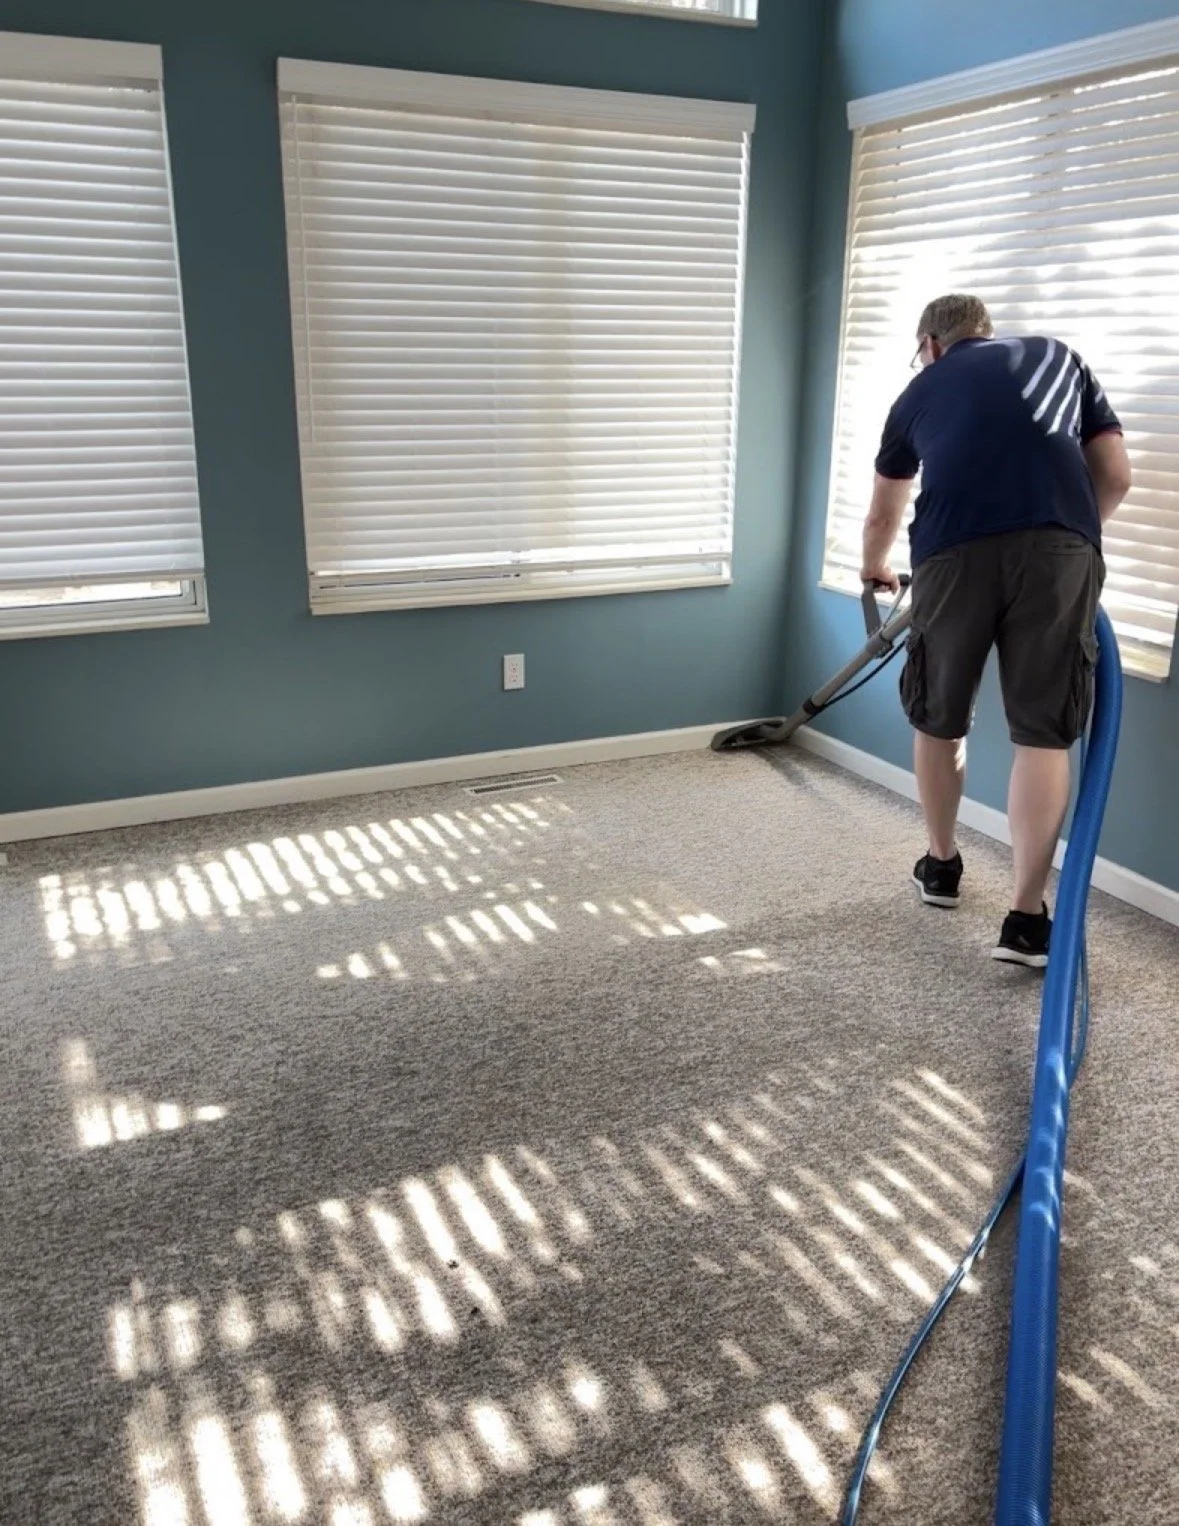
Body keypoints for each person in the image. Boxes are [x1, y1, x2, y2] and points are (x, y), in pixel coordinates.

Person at [860, 294, 1132, 967]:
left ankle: (942, 867)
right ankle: (1024, 920)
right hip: (1061, 550)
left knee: (939, 718)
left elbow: (881, 517)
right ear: (984, 331)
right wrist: (1069, 540)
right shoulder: (1059, 358)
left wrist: (874, 570)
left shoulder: (917, 391)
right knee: (1043, 732)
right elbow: (1116, 477)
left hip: (952, 553)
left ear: (929, 343)